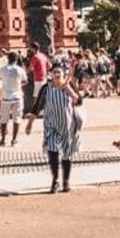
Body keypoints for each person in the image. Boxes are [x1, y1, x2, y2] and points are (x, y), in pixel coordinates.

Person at [25, 62, 82, 192]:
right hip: (51, 125)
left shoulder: (69, 85)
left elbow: (79, 101)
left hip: (67, 126)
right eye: (54, 72)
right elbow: (37, 106)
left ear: (63, 74)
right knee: (52, 151)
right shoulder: (46, 88)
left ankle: (66, 181)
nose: (56, 74)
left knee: (67, 154)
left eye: (59, 72)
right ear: (50, 74)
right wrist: (30, 124)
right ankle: (55, 180)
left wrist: (69, 90)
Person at [0, 51, 28, 146]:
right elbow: (25, 81)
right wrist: (19, 84)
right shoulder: (20, 70)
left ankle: (3, 139)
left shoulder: (3, 69)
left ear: (8, 59)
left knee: (4, 119)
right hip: (17, 95)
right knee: (17, 119)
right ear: (16, 60)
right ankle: (14, 139)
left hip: (6, 96)